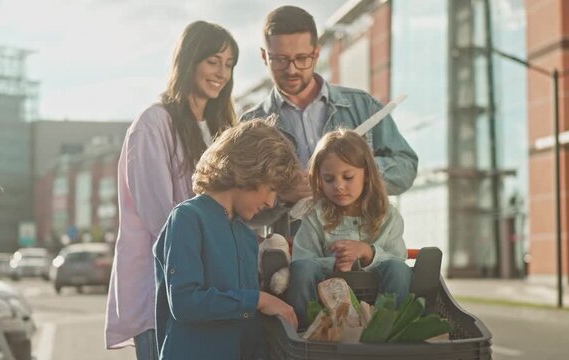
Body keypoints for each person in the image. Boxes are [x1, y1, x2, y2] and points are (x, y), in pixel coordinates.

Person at [105, 21, 239, 359]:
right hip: (162, 291)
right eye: (213, 61)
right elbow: (161, 218)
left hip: (208, 289)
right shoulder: (154, 123)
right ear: (190, 60)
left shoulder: (220, 129)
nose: (221, 72)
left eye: (229, 64)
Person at [240, 5, 417, 208]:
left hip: (357, 237)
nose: (291, 69)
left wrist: (355, 171)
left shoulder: (361, 106)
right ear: (265, 57)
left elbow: (406, 167)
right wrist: (278, 192)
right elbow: (239, 199)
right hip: (290, 238)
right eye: (279, 60)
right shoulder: (250, 125)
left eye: (301, 58)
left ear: (316, 54)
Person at [153, 120, 301, 359]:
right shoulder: (188, 218)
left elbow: (247, 325)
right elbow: (184, 302)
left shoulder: (247, 236)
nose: (271, 203)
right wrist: (257, 300)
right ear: (249, 170)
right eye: (271, 188)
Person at [285, 129, 412, 329]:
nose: (339, 186)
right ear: (318, 179)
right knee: (301, 268)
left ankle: (388, 330)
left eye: (348, 177)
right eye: (329, 179)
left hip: (374, 304)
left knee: (399, 270)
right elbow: (303, 260)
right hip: (324, 305)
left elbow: (398, 260)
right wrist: (334, 264)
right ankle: (306, 331)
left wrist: (368, 253)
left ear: (367, 175)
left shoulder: (388, 215)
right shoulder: (313, 215)